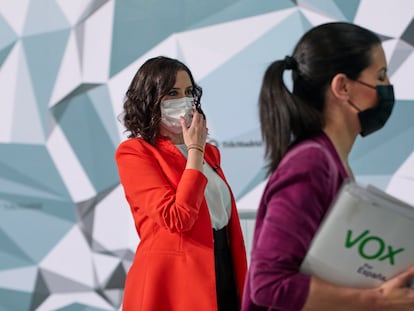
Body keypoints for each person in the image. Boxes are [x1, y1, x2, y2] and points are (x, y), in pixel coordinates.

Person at [241, 22, 414, 311]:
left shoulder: (331, 161)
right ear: (343, 87)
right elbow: (268, 284)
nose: (386, 88)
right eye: (380, 76)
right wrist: (377, 301)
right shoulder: (311, 163)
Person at [115, 56, 247, 311]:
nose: (184, 100)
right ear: (150, 100)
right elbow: (177, 218)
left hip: (222, 268)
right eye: (173, 93)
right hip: (173, 284)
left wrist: (198, 149)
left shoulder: (210, 153)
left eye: (188, 92)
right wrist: (194, 149)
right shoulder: (135, 152)